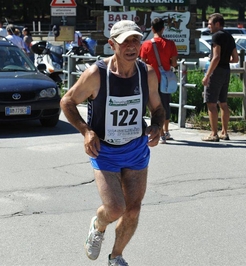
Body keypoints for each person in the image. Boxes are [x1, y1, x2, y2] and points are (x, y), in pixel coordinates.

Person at [60, 20, 165, 266]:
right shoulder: (97, 74)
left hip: (136, 148)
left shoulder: (146, 73)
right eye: (125, 41)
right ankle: (98, 225)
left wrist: (157, 126)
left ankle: (116, 256)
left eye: (136, 40)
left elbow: (157, 108)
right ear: (112, 44)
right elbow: (67, 101)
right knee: (116, 208)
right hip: (104, 150)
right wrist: (86, 131)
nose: (131, 46)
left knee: (134, 209)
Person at [140, 17, 178, 144]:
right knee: (165, 105)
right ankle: (166, 131)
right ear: (163, 28)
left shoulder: (146, 44)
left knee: (154, 106)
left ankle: (159, 132)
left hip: (150, 79)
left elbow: (143, 63)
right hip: (165, 80)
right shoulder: (170, 44)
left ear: (152, 28)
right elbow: (174, 63)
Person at [202, 13, 239, 142]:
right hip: (226, 71)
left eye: (210, 24)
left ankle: (213, 133)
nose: (208, 27)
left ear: (217, 24)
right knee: (223, 103)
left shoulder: (216, 36)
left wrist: (207, 75)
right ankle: (224, 132)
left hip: (216, 71)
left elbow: (216, 57)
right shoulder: (229, 37)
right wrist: (225, 60)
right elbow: (235, 59)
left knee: (211, 103)